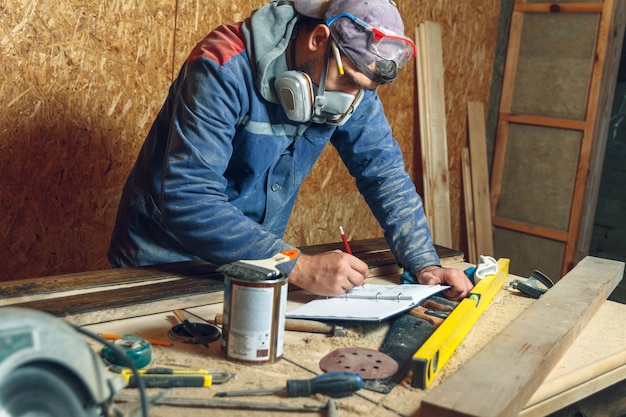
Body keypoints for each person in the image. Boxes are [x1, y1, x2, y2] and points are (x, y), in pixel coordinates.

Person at [108, 0, 473, 300]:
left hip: (257, 263)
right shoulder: (222, 66)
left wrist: (425, 263)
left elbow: (384, 173)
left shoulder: (352, 83)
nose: (349, 99)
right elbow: (189, 197)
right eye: (346, 80)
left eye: (362, 88)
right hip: (163, 261)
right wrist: (298, 266)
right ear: (318, 38)